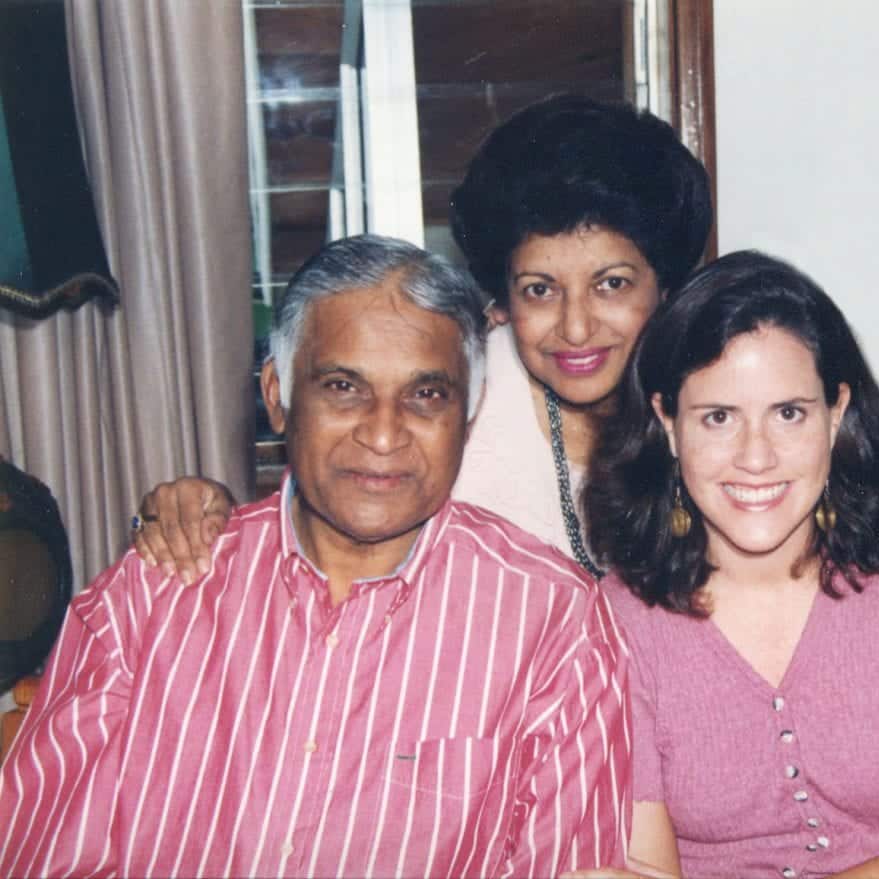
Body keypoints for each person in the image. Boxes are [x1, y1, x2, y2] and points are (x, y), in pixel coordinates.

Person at [133, 95, 879, 610]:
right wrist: (203, 503)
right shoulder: (459, 392)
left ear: (667, 282)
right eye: (541, 289)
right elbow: (340, 490)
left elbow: (812, 482)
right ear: (502, 300)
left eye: (612, 284)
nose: (576, 329)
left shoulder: (711, 384)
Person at [0, 236, 631, 878]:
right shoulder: (153, 593)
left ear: (466, 419)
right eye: (342, 387)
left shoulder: (555, 623)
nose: (383, 434)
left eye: (426, 396)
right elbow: (41, 857)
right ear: (277, 395)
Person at [580, 251, 879, 878]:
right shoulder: (617, 626)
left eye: (789, 413)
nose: (756, 457)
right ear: (669, 424)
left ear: (836, 413)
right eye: (719, 417)